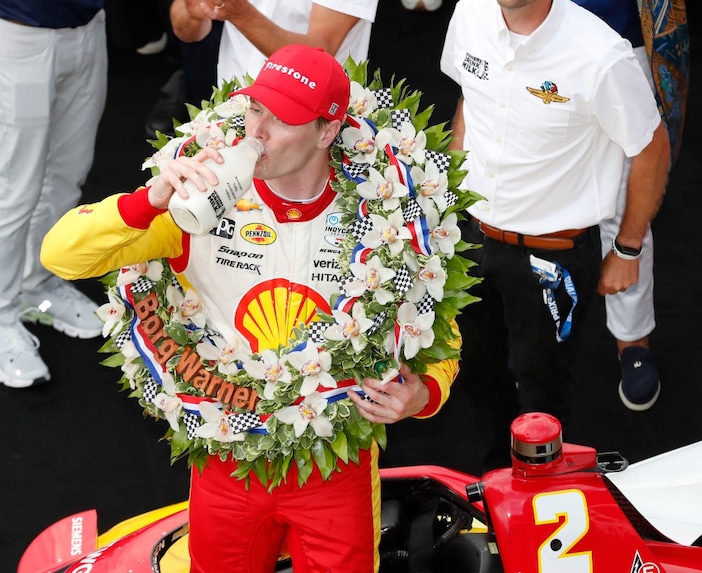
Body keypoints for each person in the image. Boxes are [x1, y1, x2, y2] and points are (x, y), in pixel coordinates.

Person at [41, 44, 459, 572]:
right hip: (228, 460)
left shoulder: (388, 217)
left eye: (281, 119)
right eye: (256, 108)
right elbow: (61, 255)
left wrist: (424, 394)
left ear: (328, 132)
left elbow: (438, 327)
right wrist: (149, 200)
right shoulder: (198, 200)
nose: (256, 131)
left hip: (335, 463)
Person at [440, 0, 671, 470]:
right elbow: (470, 95)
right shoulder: (468, 13)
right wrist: (450, 189)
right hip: (468, 239)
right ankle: (494, 475)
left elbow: (652, 147)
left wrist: (627, 248)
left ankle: (538, 490)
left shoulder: (601, 54)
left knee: (542, 390)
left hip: (552, 258)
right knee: (472, 370)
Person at [0, 0, 108, 388]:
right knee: (18, 183)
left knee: (69, 172)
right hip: (19, 31)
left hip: (87, 26)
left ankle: (39, 283)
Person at [572, 0, 688, 412]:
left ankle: (632, 339)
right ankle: (534, 341)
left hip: (623, 38)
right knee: (534, 198)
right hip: (532, 37)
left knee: (624, 205)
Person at [142, 0, 379, 135]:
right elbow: (187, 32)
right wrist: (193, 12)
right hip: (232, 113)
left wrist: (240, 13)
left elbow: (319, 52)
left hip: (310, 123)